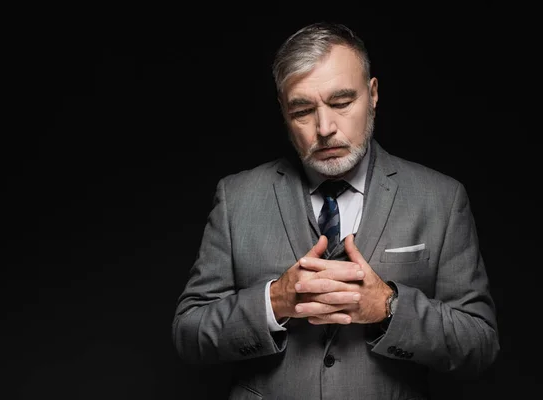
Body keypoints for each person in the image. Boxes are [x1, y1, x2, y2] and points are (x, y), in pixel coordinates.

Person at [172, 21, 500, 399]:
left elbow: (479, 345)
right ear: (283, 110)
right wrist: (274, 301)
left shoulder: (442, 198)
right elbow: (188, 334)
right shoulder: (236, 197)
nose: (324, 127)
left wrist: (389, 307)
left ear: (373, 94)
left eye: (342, 103)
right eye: (302, 111)